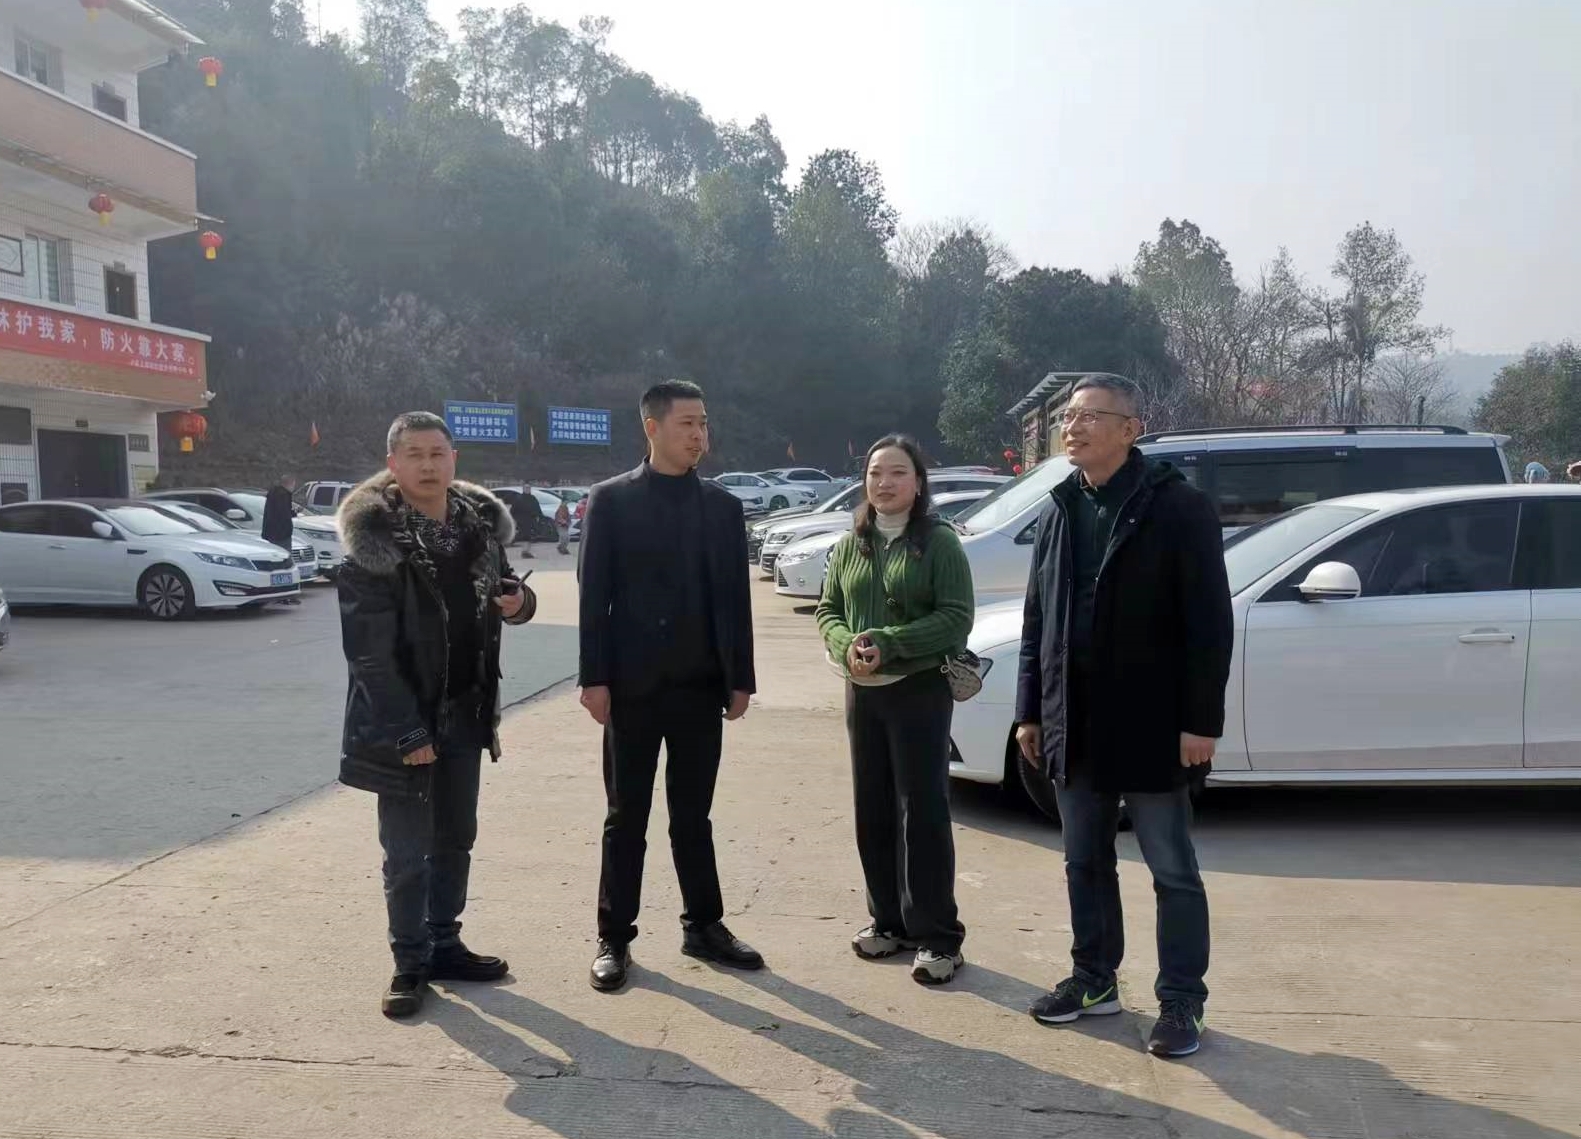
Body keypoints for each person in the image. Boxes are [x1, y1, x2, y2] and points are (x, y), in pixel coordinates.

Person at [1015, 375, 1232, 1060]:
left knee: (1171, 868)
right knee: (1084, 860)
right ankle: (1093, 979)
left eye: (1089, 416)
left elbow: (1209, 623)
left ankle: (1181, 999)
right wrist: (1030, 711)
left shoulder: (1178, 507)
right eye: (1068, 417)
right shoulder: (1060, 507)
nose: (1072, 427)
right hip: (1073, 720)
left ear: (1130, 429)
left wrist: (1200, 721)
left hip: (1150, 719)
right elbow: (1036, 619)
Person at [335, 411, 537, 1019]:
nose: (428, 465)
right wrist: (407, 729)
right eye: (415, 455)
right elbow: (368, 654)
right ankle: (409, 961)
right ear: (392, 464)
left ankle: (445, 943)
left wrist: (520, 602)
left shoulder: (478, 528)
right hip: (406, 723)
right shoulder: (376, 543)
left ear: (454, 460)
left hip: (467, 713)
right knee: (406, 852)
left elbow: (509, 592)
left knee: (456, 837)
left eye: (438, 453)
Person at [577, 379, 760, 993]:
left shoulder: (722, 507)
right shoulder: (611, 501)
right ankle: (614, 937)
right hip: (631, 689)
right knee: (625, 815)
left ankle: (703, 926)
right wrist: (594, 678)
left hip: (700, 687)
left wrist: (740, 678)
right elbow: (592, 598)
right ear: (651, 427)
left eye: (703, 424)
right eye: (687, 424)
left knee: (693, 815)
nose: (699, 435)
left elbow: (735, 601)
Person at [815, 435, 975, 985]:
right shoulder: (851, 543)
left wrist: (890, 641)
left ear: (918, 482)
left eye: (898, 473)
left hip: (919, 690)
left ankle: (938, 937)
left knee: (922, 811)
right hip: (863, 692)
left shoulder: (939, 542)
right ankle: (888, 921)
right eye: (875, 473)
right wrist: (847, 646)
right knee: (873, 806)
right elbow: (828, 609)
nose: (884, 483)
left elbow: (956, 617)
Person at [262, 474, 296, 550]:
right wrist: (293, 513)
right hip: (281, 534)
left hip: (271, 532)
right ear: (290, 484)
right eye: (293, 485)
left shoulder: (273, 493)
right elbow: (284, 513)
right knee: (285, 554)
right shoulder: (284, 495)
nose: (293, 488)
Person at [510, 488, 544, 558]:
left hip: (531, 520)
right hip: (522, 521)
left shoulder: (533, 498)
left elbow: (537, 508)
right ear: (523, 489)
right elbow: (513, 510)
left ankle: (526, 551)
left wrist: (539, 516)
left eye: (528, 488)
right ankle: (525, 552)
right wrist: (515, 519)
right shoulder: (519, 498)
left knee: (530, 537)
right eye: (526, 488)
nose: (527, 489)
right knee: (526, 536)